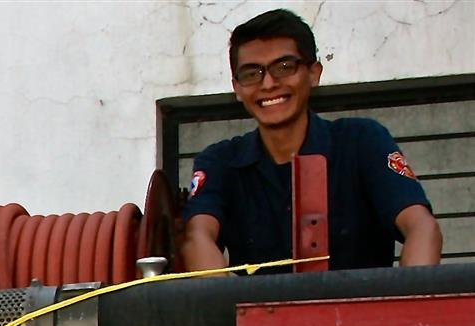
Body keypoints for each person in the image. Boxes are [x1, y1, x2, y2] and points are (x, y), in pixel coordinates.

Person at [180, 8, 442, 271]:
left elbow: (421, 226)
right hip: (259, 312)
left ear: (313, 73)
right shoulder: (220, 162)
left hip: (359, 310)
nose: (268, 84)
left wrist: (410, 308)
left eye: (284, 67)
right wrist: (231, 308)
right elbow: (196, 238)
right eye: (251, 73)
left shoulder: (362, 141)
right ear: (236, 88)